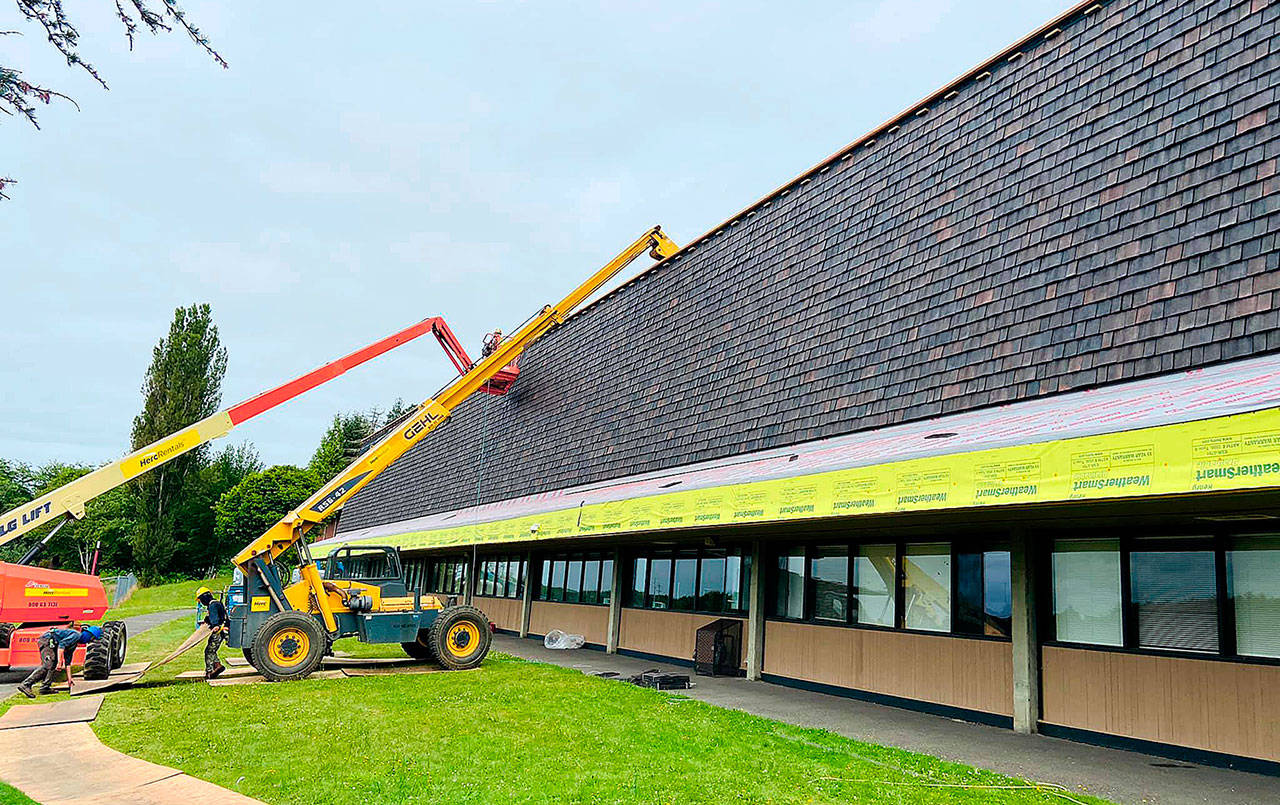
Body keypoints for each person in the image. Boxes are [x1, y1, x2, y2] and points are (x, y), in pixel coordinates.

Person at [16, 622, 89, 698]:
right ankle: (26, 684)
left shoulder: (74, 643)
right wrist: (60, 663)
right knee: (48, 665)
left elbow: (68, 663)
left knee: (52, 665)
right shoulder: (76, 635)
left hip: (53, 643)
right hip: (47, 641)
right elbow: (61, 646)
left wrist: (69, 679)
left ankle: (45, 687)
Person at [196, 587, 228, 680]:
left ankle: (210, 671)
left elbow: (215, 619)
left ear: (204, 597)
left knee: (209, 651)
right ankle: (217, 665)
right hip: (222, 629)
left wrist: (215, 626)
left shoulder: (212, 605)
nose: (201, 602)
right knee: (211, 650)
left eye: (201, 600)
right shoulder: (216, 603)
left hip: (218, 631)